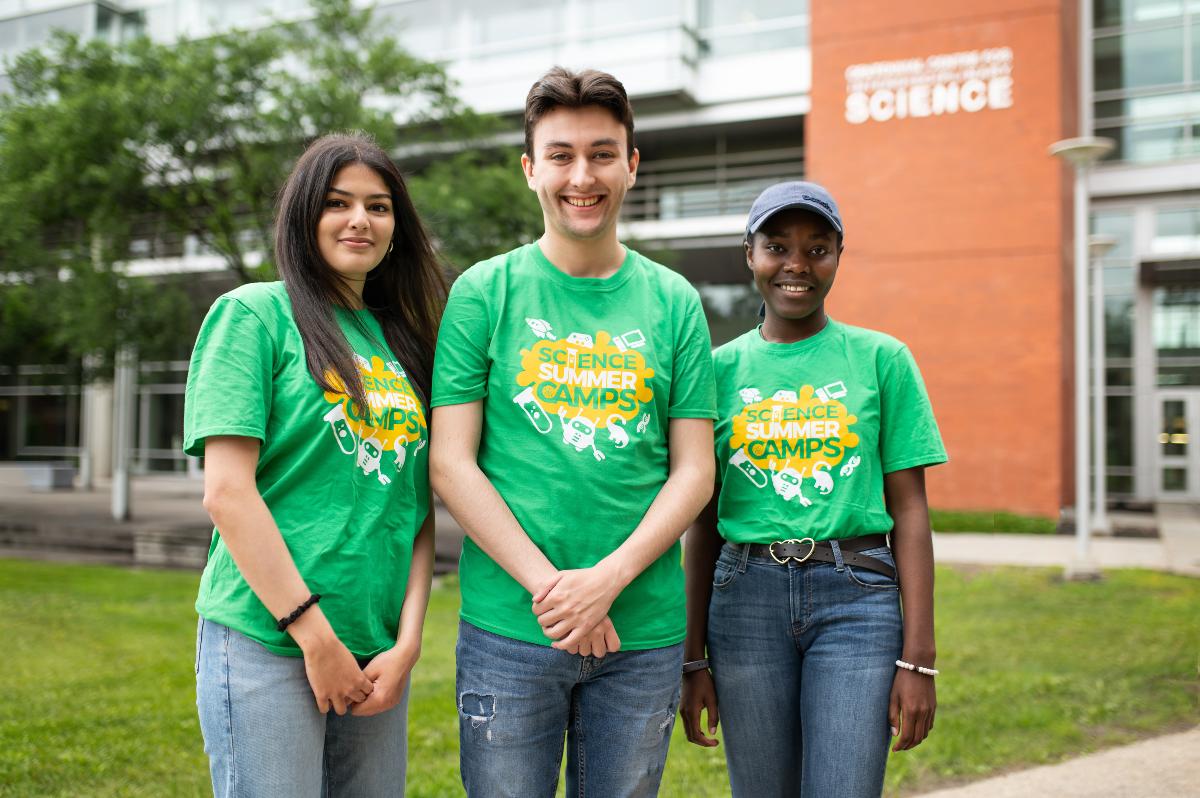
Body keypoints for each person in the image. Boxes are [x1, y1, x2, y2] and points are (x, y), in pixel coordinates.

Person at [429, 66, 717, 797]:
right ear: (530, 169)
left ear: (631, 165)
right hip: (510, 629)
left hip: (641, 633)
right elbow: (452, 464)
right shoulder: (483, 293)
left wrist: (607, 583)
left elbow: (693, 471)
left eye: (600, 153)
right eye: (560, 155)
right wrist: (555, 591)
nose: (580, 175)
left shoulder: (675, 301)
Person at [184, 132, 446, 797]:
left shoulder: (403, 347)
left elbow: (413, 513)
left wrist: (407, 644)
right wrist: (315, 637)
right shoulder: (254, 315)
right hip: (269, 640)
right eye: (338, 202)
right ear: (305, 215)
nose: (360, 219)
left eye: (378, 207)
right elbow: (227, 494)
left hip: (376, 651)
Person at [679, 181, 947, 797]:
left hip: (857, 600)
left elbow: (910, 511)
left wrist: (919, 658)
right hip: (744, 601)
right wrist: (693, 658)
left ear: (838, 256)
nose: (796, 265)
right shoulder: (716, 372)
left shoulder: (883, 359)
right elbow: (702, 523)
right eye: (777, 246)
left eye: (817, 248)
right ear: (750, 254)